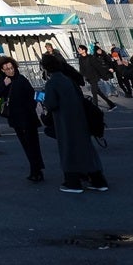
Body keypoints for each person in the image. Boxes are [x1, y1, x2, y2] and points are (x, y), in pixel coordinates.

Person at [41, 54, 108, 193]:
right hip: (80, 118)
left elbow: (51, 103)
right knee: (86, 148)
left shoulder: (52, 82)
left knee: (68, 149)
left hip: (64, 121)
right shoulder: (68, 80)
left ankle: (73, 181)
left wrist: (44, 103)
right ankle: (97, 179)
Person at [0, 58, 44, 182]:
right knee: (26, 144)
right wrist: (4, 85)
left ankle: (36, 169)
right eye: (7, 69)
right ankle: (36, 168)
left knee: (32, 144)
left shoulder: (21, 79)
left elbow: (32, 95)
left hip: (28, 116)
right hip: (15, 117)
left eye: (12, 68)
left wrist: (33, 106)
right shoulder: (1, 79)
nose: (10, 71)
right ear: (2, 70)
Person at [77, 45, 117, 111]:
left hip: (94, 77)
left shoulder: (90, 57)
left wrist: (105, 75)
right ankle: (112, 104)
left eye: (79, 49)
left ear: (84, 50)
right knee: (98, 92)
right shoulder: (80, 58)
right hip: (88, 78)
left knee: (94, 92)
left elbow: (98, 66)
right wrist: (81, 77)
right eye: (78, 49)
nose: (78, 50)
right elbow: (81, 69)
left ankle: (95, 109)